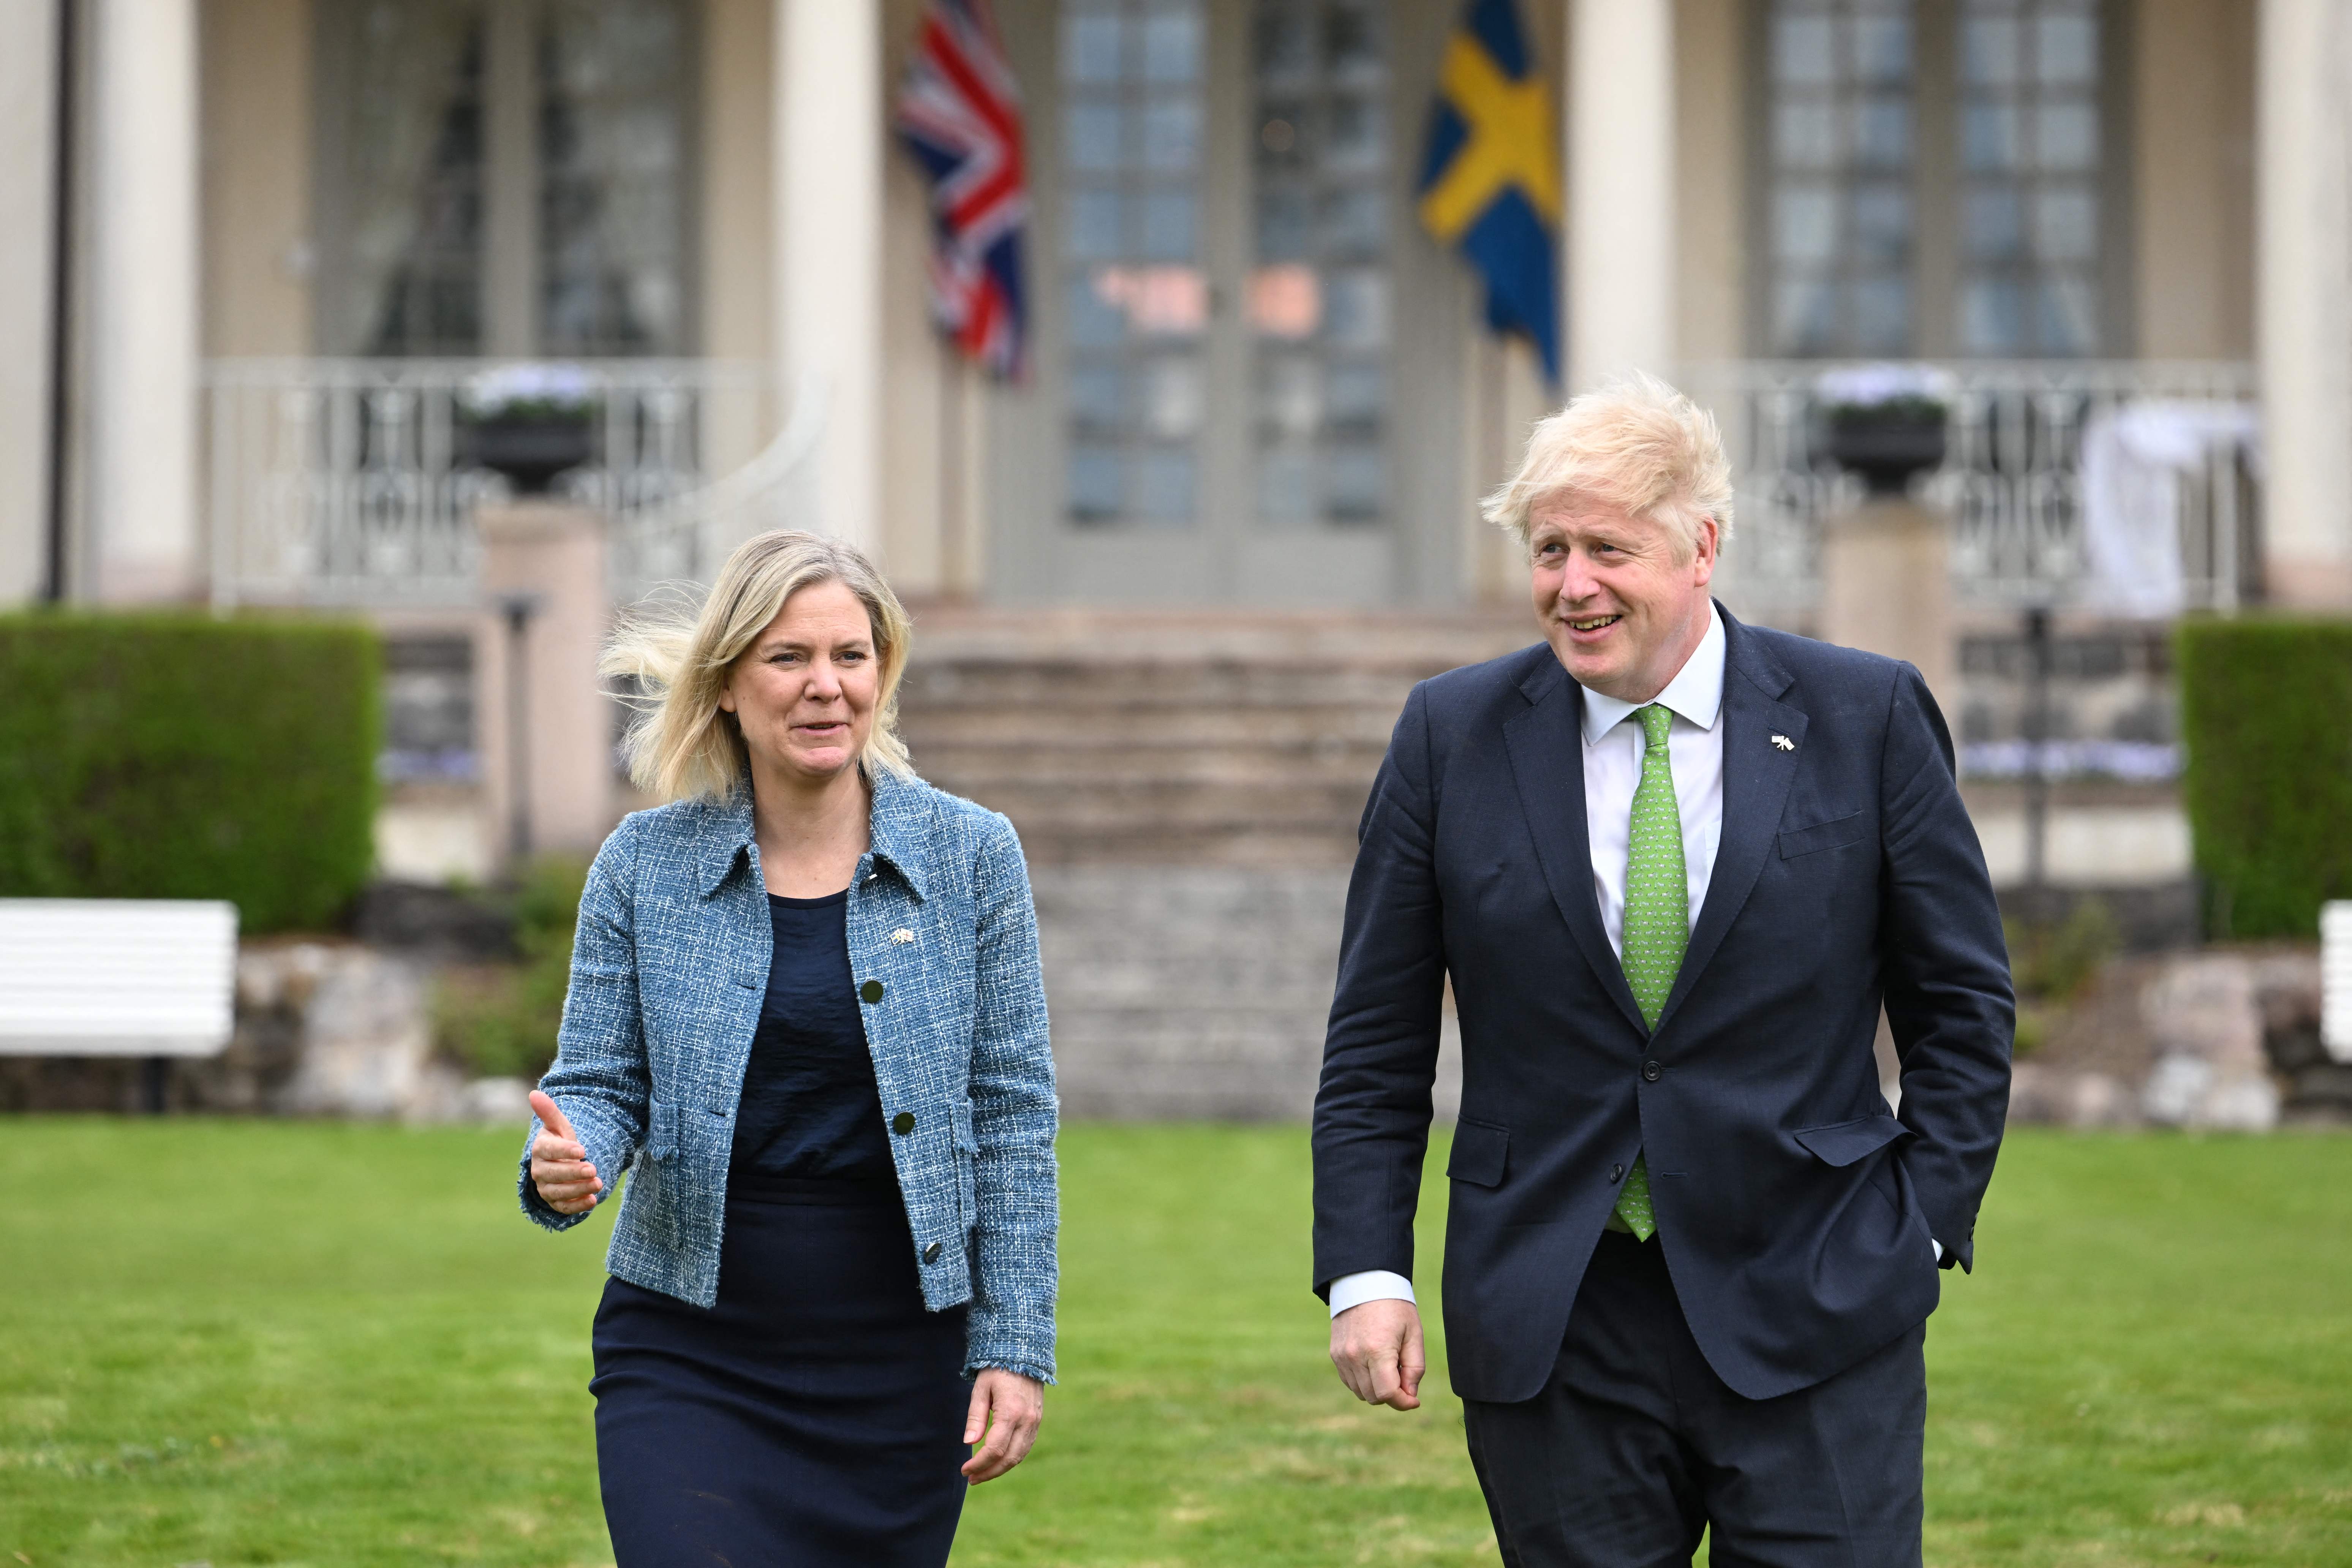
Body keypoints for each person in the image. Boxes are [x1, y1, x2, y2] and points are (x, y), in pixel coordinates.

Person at [1312, 376, 2011, 1566]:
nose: (1572, 585)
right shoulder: (1450, 736)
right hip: (1556, 1315)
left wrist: (1922, 1222)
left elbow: (1962, 1006)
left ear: (1702, 548)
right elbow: (1377, 1042)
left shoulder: (1865, 716)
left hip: (1819, 1296)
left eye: (1606, 549)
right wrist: (1365, 1269)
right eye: (1549, 550)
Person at [518, 529, 1057, 1568]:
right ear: (727, 685)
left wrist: (1015, 1345)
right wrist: (570, 1156)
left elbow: (1012, 1117)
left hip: (897, 1362)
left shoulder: (972, 855)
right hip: (689, 1347)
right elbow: (597, 1079)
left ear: (882, 674)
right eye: (789, 659)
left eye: (850, 658)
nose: (826, 688)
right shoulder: (643, 864)